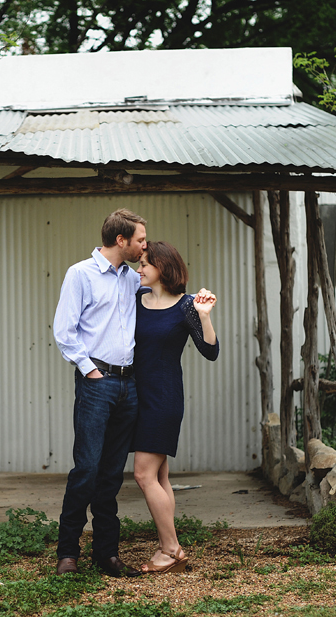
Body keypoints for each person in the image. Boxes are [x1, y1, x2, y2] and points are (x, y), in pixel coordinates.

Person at [52, 208, 148, 578]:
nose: (144, 245)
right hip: (98, 383)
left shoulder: (131, 277)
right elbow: (65, 330)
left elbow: (165, 286)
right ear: (121, 240)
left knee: (111, 474)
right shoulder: (81, 274)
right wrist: (90, 370)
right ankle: (67, 554)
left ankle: (106, 553)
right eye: (140, 239)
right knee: (87, 470)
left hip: (129, 385)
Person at [132, 240, 219, 574]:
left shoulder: (186, 306)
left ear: (162, 267)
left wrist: (204, 316)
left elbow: (210, 351)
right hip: (137, 396)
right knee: (159, 474)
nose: (138, 270)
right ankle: (168, 546)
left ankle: (170, 549)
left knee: (142, 474)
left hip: (164, 398)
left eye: (144, 264)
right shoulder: (137, 299)